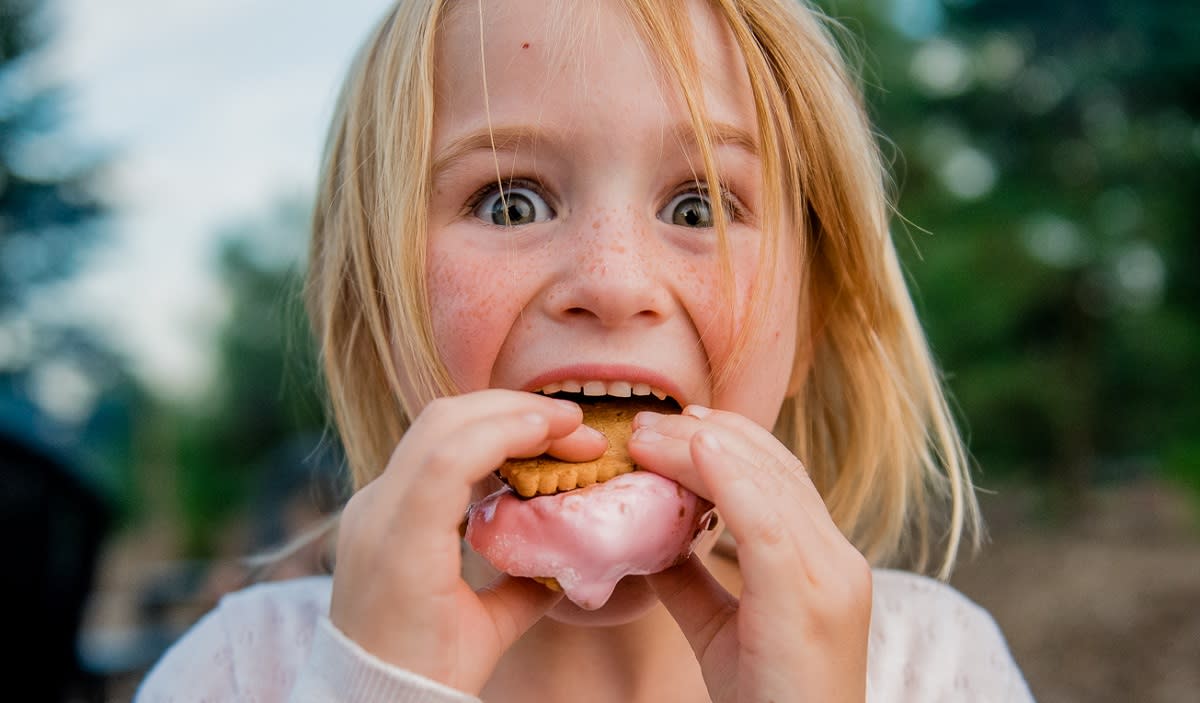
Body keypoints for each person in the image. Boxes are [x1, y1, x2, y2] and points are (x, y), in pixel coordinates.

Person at [137, 0, 1034, 700]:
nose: (611, 281)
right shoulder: (241, 672)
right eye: (509, 201)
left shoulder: (933, 671)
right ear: (376, 308)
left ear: (812, 325)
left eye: (701, 208)